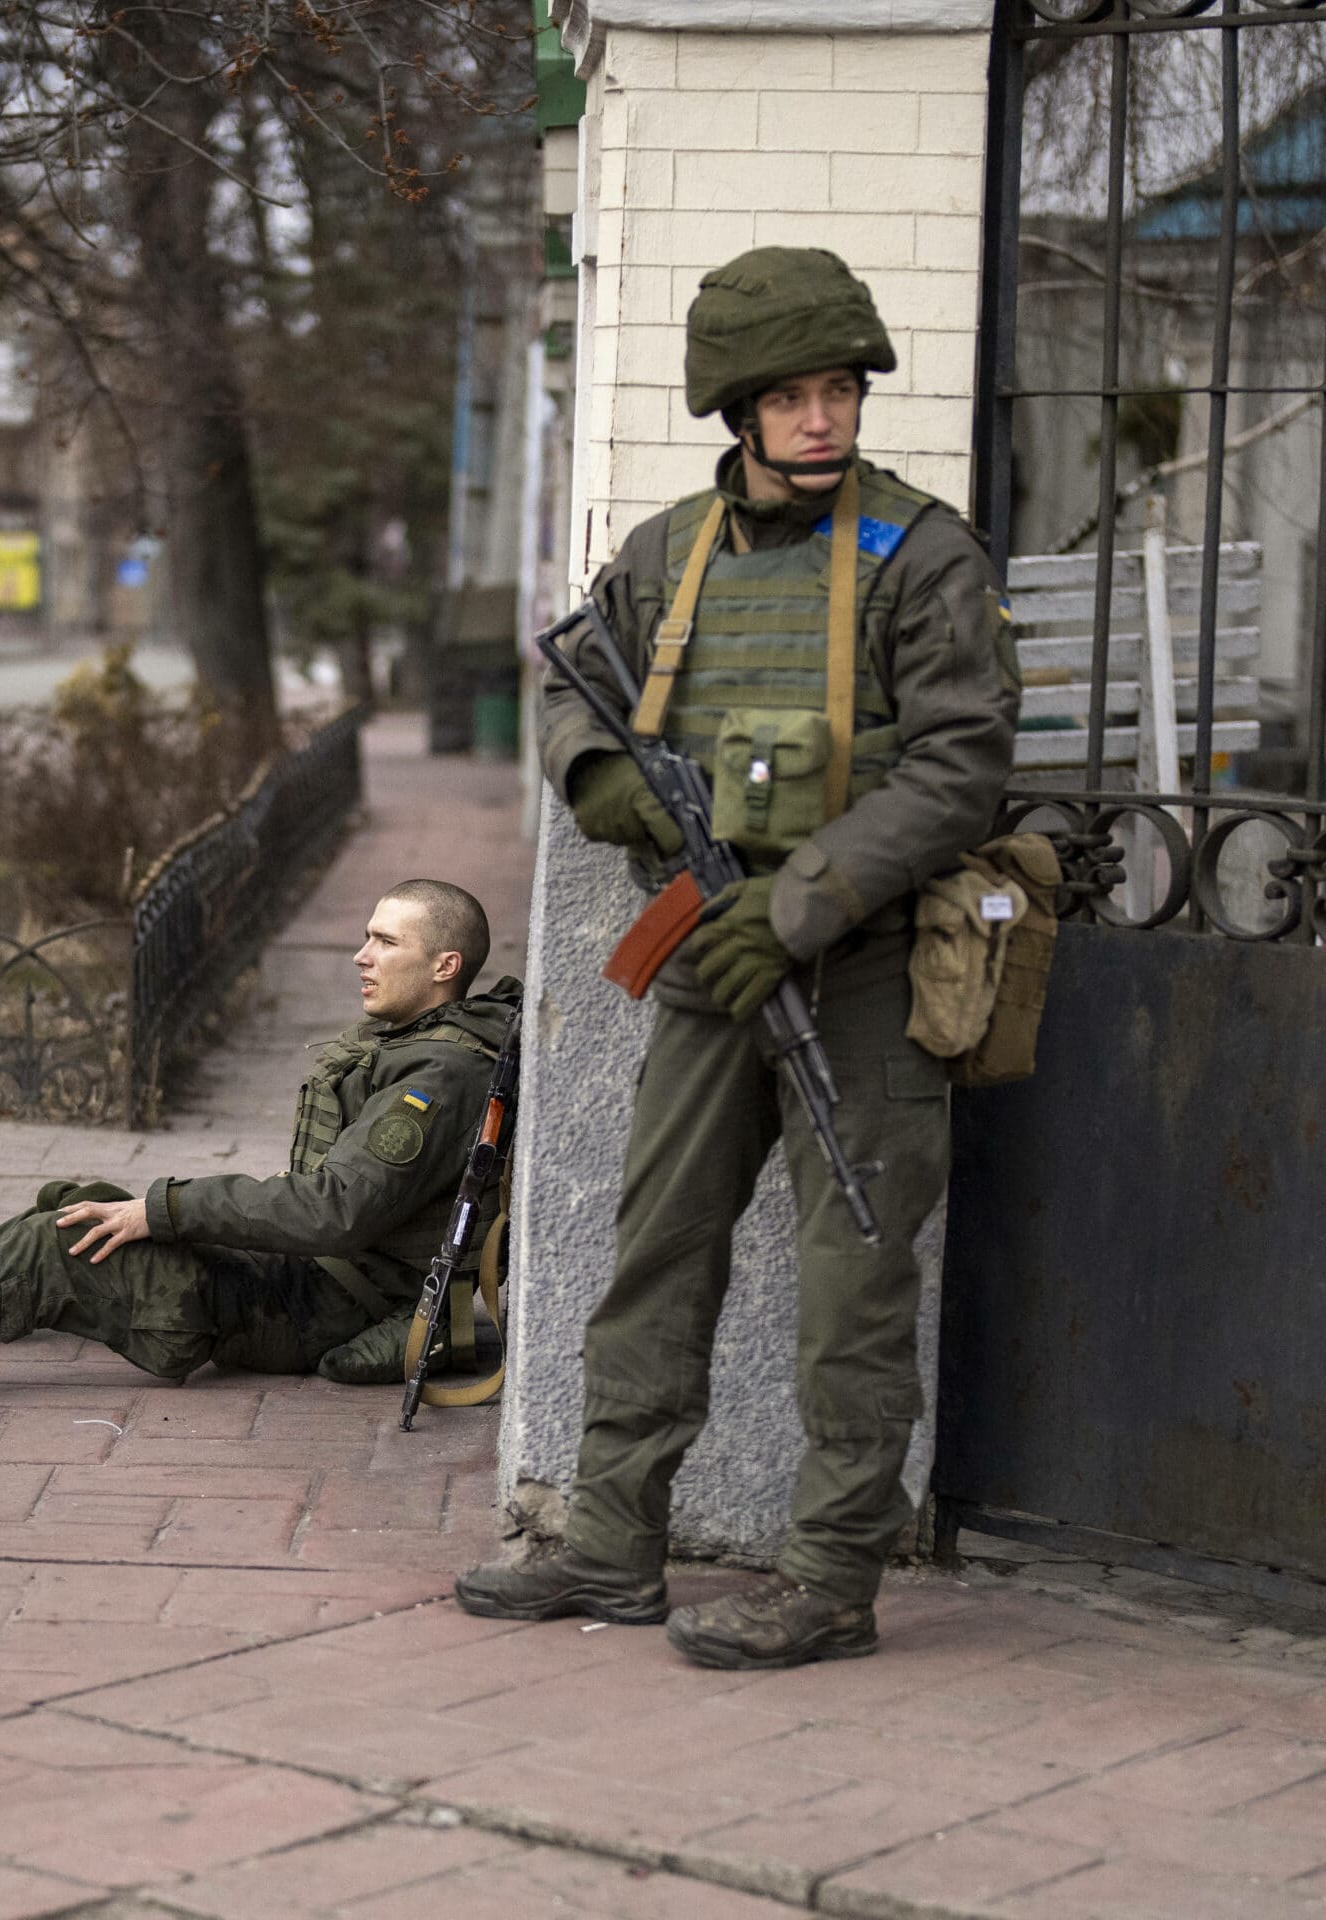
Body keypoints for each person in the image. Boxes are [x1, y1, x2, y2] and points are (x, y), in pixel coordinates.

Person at [453, 248, 1020, 1669]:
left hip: (869, 969)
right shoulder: (667, 557)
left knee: (853, 1288)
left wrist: (805, 899)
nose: (822, 419)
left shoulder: (923, 555)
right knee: (657, 1254)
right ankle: (611, 1545)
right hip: (708, 960)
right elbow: (570, 687)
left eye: (839, 391)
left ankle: (828, 1579)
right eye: (791, 396)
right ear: (739, 413)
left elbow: (960, 771)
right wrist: (614, 792)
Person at [0, 879, 520, 1402]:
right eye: (366, 935)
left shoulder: (434, 1079)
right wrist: (160, 1212)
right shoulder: (426, 1048)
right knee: (70, 1207)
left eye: (385, 942)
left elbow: (334, 1213)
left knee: (63, 1248)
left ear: (444, 966)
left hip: (316, 1306)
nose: (359, 955)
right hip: (310, 1280)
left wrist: (167, 1210)